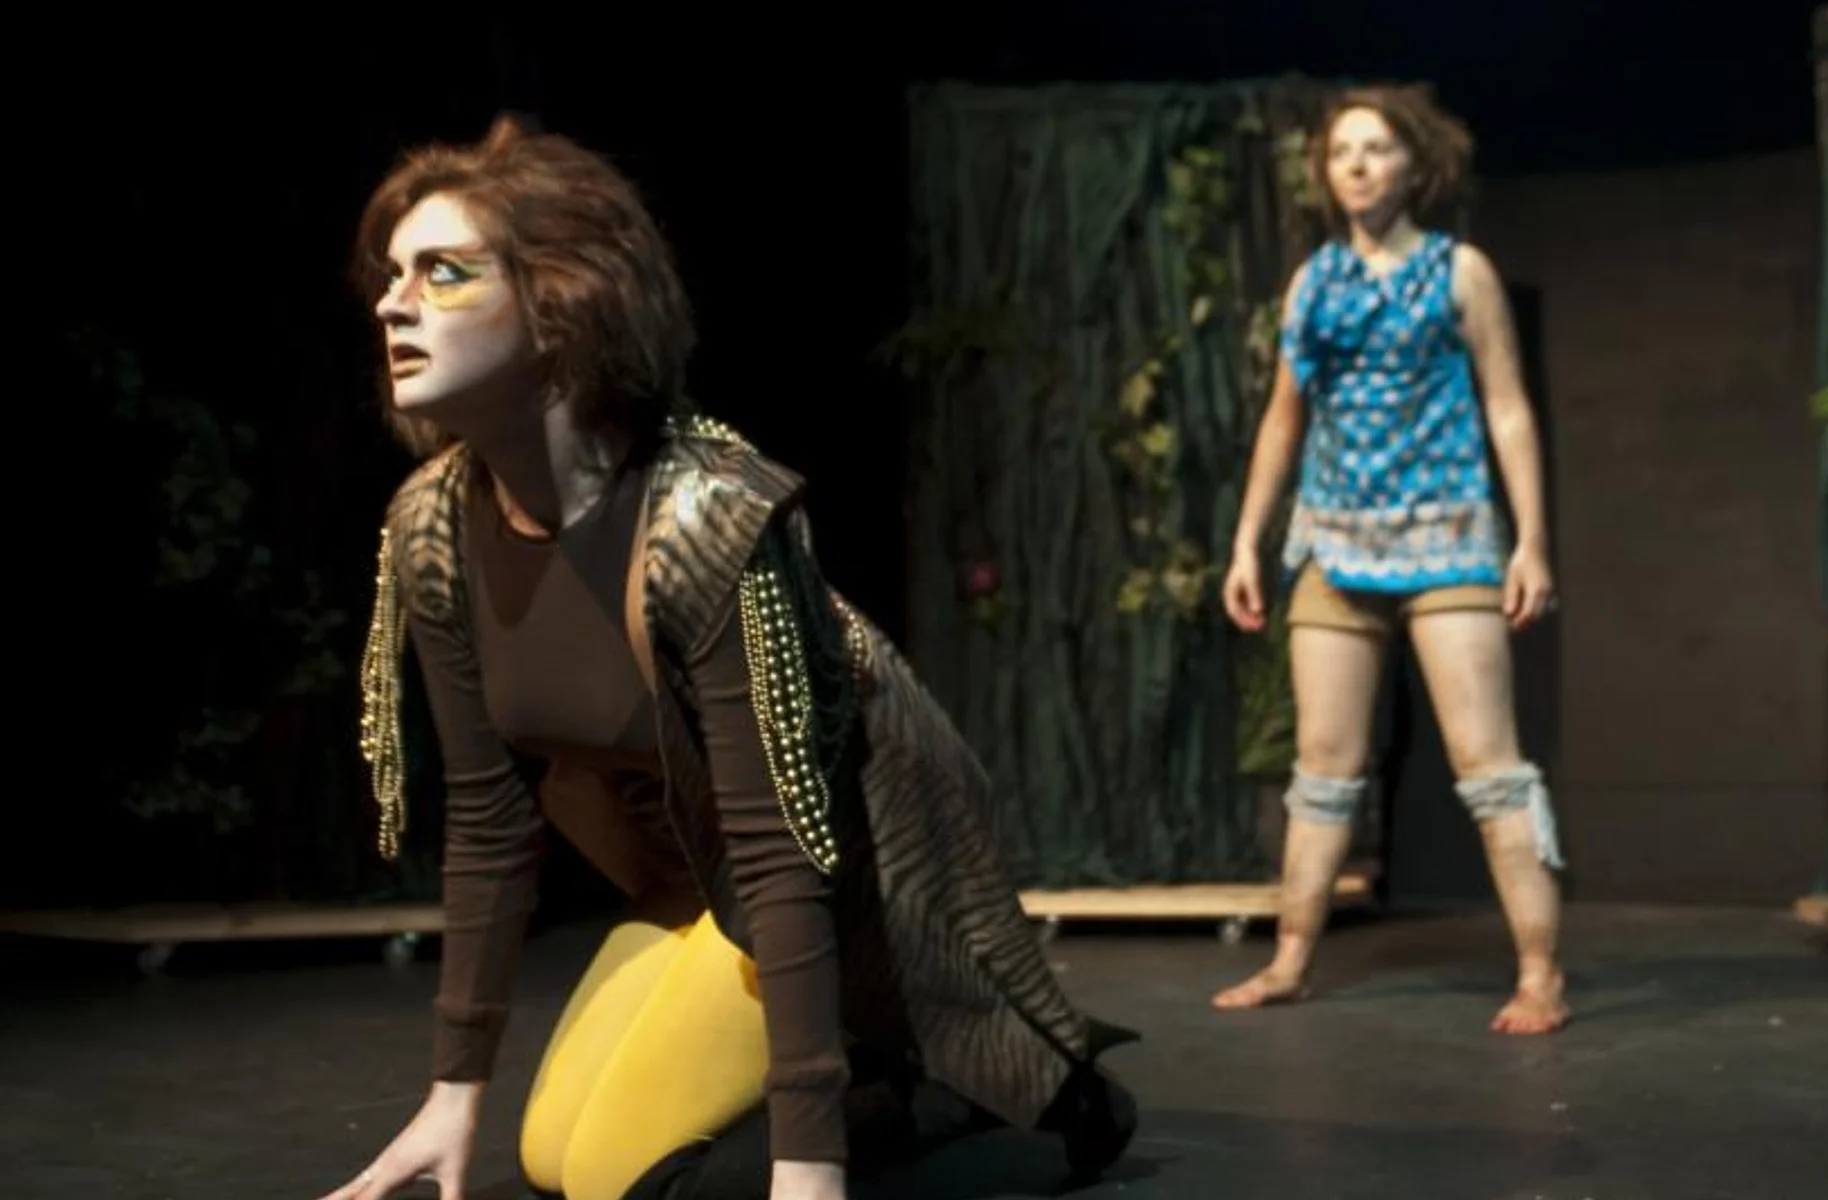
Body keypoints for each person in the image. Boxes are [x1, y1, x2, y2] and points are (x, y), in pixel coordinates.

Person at [320, 115, 1137, 1200]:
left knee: (619, 1175)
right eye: (391, 274)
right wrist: (453, 1093)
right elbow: (487, 821)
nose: (393, 302)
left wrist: (808, 1167)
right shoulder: (433, 527)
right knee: (552, 1156)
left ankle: (962, 1088)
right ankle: (886, 1069)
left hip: (848, 872)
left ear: (563, 303)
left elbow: (784, 853)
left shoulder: (708, 520)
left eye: (443, 271)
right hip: (687, 880)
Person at [1213, 84, 1570, 1035]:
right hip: (1334, 538)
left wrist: (1531, 539)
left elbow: (1507, 407)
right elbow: (1283, 420)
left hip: (1447, 535)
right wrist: (1248, 539)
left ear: (1416, 165)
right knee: (1324, 766)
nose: (1358, 166)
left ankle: (1541, 973)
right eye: (1342, 152)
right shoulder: (1314, 283)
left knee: (1488, 764)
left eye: (1376, 148)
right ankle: (1290, 960)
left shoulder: (1460, 273)